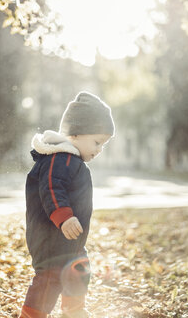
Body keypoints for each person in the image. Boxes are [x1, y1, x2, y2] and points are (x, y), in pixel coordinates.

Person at [19, 91, 115, 318]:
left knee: (80, 270)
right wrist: (64, 217)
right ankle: (32, 315)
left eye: (103, 145)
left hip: (70, 241)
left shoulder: (73, 160)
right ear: (76, 133)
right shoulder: (58, 159)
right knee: (49, 280)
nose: (99, 149)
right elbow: (51, 188)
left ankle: (74, 311)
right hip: (51, 238)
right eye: (97, 142)